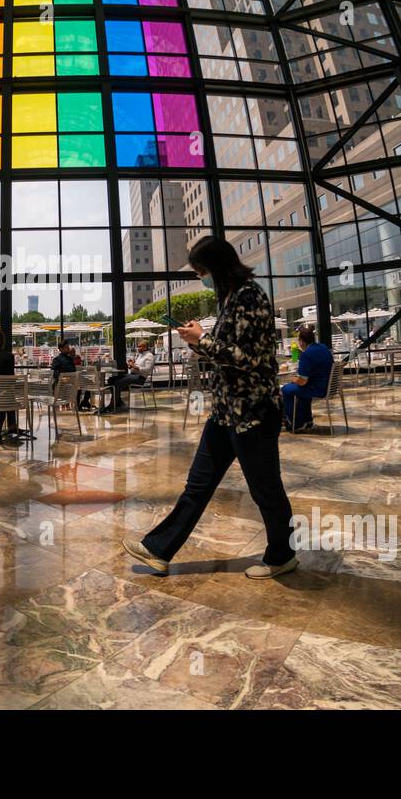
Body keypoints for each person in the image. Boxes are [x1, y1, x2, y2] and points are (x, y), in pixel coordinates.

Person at [121, 237, 298, 580]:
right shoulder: (231, 298)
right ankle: (159, 550)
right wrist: (198, 341)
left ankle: (282, 555)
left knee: (266, 488)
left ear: (217, 267)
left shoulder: (250, 296)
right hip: (226, 412)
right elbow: (225, 354)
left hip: (253, 413)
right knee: (198, 484)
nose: (201, 277)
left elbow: (248, 359)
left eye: (202, 271)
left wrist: (201, 339)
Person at [280, 326, 331, 432]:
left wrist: (292, 379)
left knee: (286, 389)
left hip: (318, 389)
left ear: (302, 341)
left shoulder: (306, 354)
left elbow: (302, 381)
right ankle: (307, 420)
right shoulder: (323, 348)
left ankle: (297, 424)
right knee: (300, 390)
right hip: (328, 386)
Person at [100, 339, 154, 414]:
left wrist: (135, 367)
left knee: (118, 382)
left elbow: (147, 369)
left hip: (140, 378)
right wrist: (131, 365)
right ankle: (118, 402)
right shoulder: (140, 355)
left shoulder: (149, 356)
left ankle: (113, 405)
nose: (138, 348)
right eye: (138, 347)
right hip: (133, 375)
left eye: (140, 347)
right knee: (111, 380)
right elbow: (136, 366)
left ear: (145, 347)